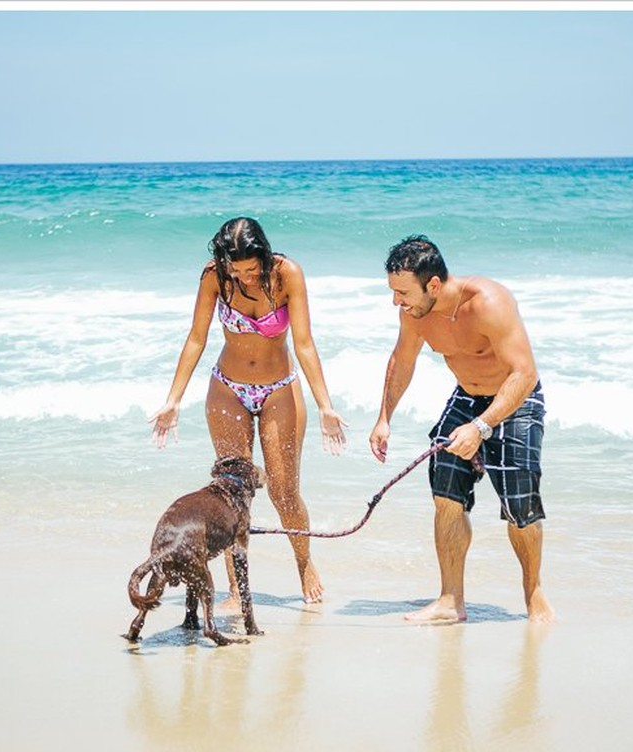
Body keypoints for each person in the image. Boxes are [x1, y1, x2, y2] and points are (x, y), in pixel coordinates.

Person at [150, 217, 347, 604]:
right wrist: (173, 399)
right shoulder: (214, 277)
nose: (245, 278)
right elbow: (196, 338)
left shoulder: (288, 274)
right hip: (228, 387)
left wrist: (325, 405)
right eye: (236, 270)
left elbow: (304, 343)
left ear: (264, 256)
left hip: (279, 389)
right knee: (231, 493)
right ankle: (237, 586)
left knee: (284, 492)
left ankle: (304, 562)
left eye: (252, 270)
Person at [368, 235, 553, 624]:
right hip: (468, 396)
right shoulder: (415, 314)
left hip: (515, 399)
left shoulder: (488, 303)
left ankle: (534, 595)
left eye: (403, 292)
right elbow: (402, 361)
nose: (396, 302)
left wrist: (482, 427)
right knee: (446, 493)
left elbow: (525, 373)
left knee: (520, 507)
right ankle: (451, 600)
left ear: (433, 285)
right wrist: (384, 417)